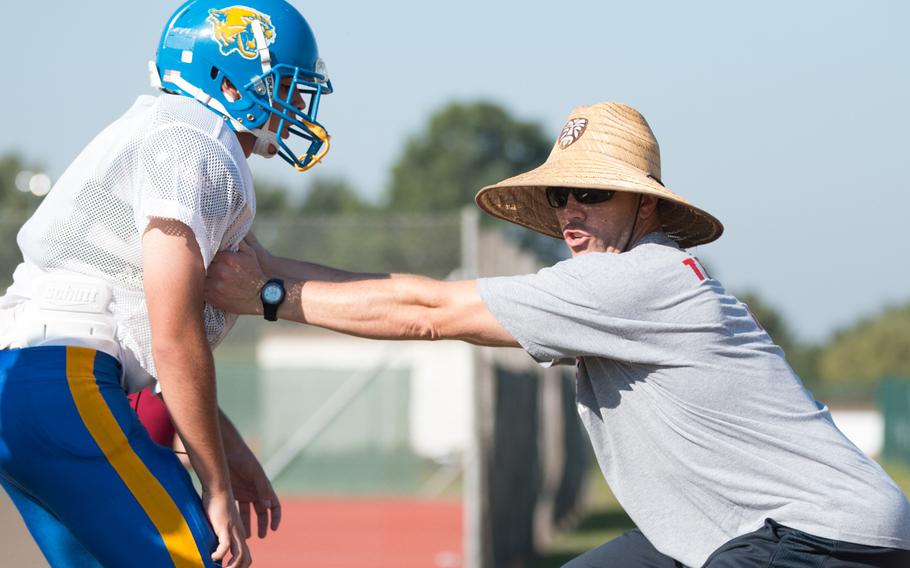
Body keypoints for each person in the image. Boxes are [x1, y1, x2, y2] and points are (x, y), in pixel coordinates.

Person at [204, 101, 910, 567]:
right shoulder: (630, 277)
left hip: (825, 539)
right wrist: (266, 261)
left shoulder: (632, 281)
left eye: (593, 192)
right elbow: (404, 289)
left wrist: (270, 294)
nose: (570, 209)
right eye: (560, 194)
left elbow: (429, 313)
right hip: (758, 529)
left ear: (645, 206)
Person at [0, 1, 333, 566]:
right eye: (285, 84)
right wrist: (218, 486)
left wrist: (228, 452)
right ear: (228, 75)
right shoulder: (194, 142)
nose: (297, 103)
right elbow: (173, 336)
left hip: (30, 377)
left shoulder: (170, 131)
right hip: (65, 380)